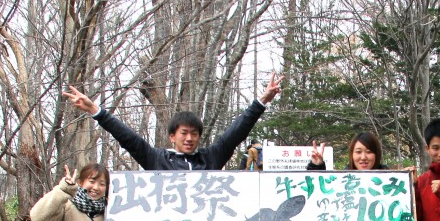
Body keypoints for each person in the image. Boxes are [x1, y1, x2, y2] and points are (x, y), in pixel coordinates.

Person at [61, 74, 283, 171]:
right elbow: (128, 138)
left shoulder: (211, 158)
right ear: (172, 136)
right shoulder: (157, 159)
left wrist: (262, 100)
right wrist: (95, 110)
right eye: (184, 133)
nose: (189, 138)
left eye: (194, 134)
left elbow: (236, 133)